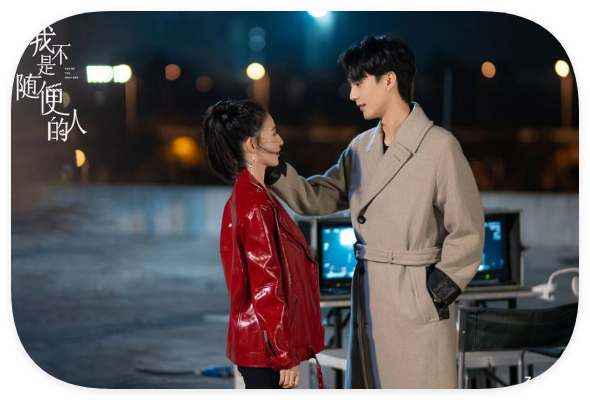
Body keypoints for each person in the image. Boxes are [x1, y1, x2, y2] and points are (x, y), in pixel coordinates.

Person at [264, 35, 486, 389]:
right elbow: (319, 198)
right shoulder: (360, 148)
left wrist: (435, 292)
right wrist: (273, 171)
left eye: (358, 83)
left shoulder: (439, 146)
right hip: (369, 295)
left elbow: (468, 229)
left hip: (415, 301)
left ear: (389, 80)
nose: (352, 94)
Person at [203, 99, 325, 389]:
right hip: (267, 350)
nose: (280, 140)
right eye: (273, 133)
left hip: (261, 344)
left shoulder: (249, 194)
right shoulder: (256, 204)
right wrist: (285, 355)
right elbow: (266, 287)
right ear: (252, 144)